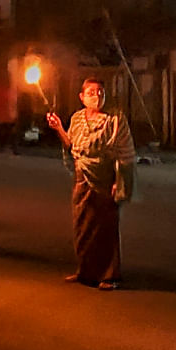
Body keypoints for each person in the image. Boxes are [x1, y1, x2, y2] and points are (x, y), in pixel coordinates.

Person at [46, 78, 136, 291]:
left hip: (105, 177)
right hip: (82, 177)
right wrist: (59, 128)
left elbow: (124, 153)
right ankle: (85, 271)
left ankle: (109, 275)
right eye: (91, 92)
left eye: (100, 92)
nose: (96, 96)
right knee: (82, 225)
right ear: (82, 97)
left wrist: (118, 181)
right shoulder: (77, 119)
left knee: (105, 227)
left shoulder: (115, 119)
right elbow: (72, 147)